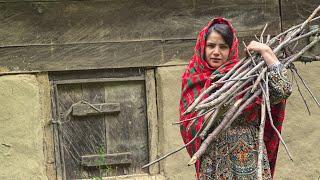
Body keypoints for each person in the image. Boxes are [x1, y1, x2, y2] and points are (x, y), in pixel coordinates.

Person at [179, 17, 292, 179]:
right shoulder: (193, 77)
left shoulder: (248, 77)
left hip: (251, 158)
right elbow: (187, 125)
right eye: (211, 46)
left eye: (223, 47)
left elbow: (283, 90)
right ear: (202, 47)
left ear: (231, 49)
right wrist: (213, 114)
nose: (216, 52)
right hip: (215, 161)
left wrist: (267, 53)